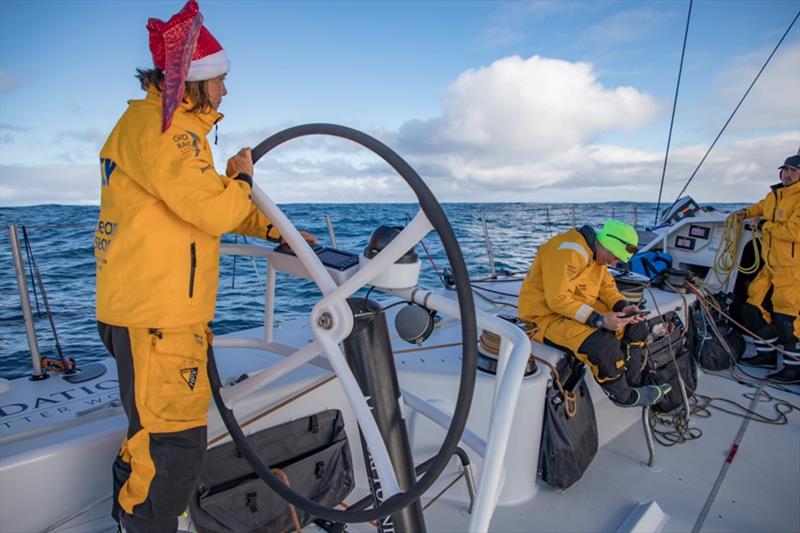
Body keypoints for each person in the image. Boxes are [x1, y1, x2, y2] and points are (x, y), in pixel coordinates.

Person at [93, 2, 315, 531]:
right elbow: (215, 207)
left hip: (157, 310)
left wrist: (272, 228)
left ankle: (135, 517)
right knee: (174, 448)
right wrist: (242, 177)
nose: (225, 92)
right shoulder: (166, 131)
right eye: (220, 80)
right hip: (156, 316)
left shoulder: (163, 126)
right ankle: (140, 522)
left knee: (155, 435)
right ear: (192, 81)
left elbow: (194, 202)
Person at [518, 220, 672, 407]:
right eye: (615, 257)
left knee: (636, 326)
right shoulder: (568, 251)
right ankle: (624, 397)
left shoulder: (597, 254)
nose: (615, 263)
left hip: (576, 308)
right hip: (545, 317)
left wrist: (623, 306)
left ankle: (633, 380)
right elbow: (557, 299)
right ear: (607, 245)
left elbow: (606, 286)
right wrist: (598, 320)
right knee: (602, 346)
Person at [736, 154, 800, 384]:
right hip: (771, 265)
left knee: (787, 318)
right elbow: (761, 207)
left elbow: (795, 231)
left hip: (793, 269)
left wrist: (763, 225)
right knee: (751, 308)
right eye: (785, 170)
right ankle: (766, 355)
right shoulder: (775, 194)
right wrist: (746, 213)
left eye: (793, 170)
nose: (787, 174)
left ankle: (794, 369)